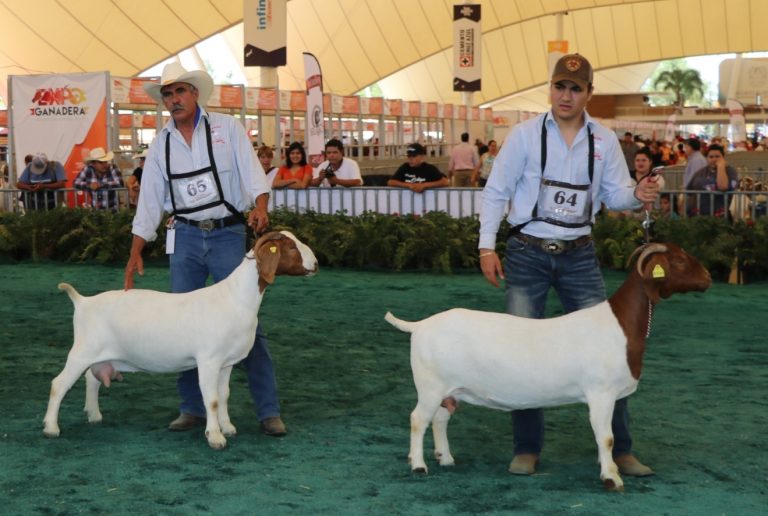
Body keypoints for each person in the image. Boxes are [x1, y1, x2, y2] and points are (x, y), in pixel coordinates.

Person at [478, 53, 660, 478]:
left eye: (576, 88)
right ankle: (527, 448)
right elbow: (495, 191)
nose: (566, 95)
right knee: (522, 352)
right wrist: (487, 247)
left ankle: (622, 452)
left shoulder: (604, 140)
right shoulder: (523, 135)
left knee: (611, 352)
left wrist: (640, 194)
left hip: (579, 255)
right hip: (527, 252)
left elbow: (616, 196)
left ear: (589, 93)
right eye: (560, 86)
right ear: (551, 88)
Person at [123, 62, 286, 437]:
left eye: (180, 91)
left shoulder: (227, 129)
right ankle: (193, 409)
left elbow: (252, 174)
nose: (173, 99)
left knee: (247, 324)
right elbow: (150, 200)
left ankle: (268, 411)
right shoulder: (161, 143)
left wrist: (260, 206)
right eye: (167, 94)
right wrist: (136, 250)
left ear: (195, 94)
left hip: (229, 235)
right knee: (183, 324)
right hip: (185, 238)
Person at [686, 143, 739, 217]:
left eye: (717, 156)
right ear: (707, 158)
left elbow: (723, 186)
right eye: (711, 157)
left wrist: (721, 166)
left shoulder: (730, 172)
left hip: (719, 216)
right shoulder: (700, 172)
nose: (714, 159)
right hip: (697, 215)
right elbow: (688, 191)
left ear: (723, 157)